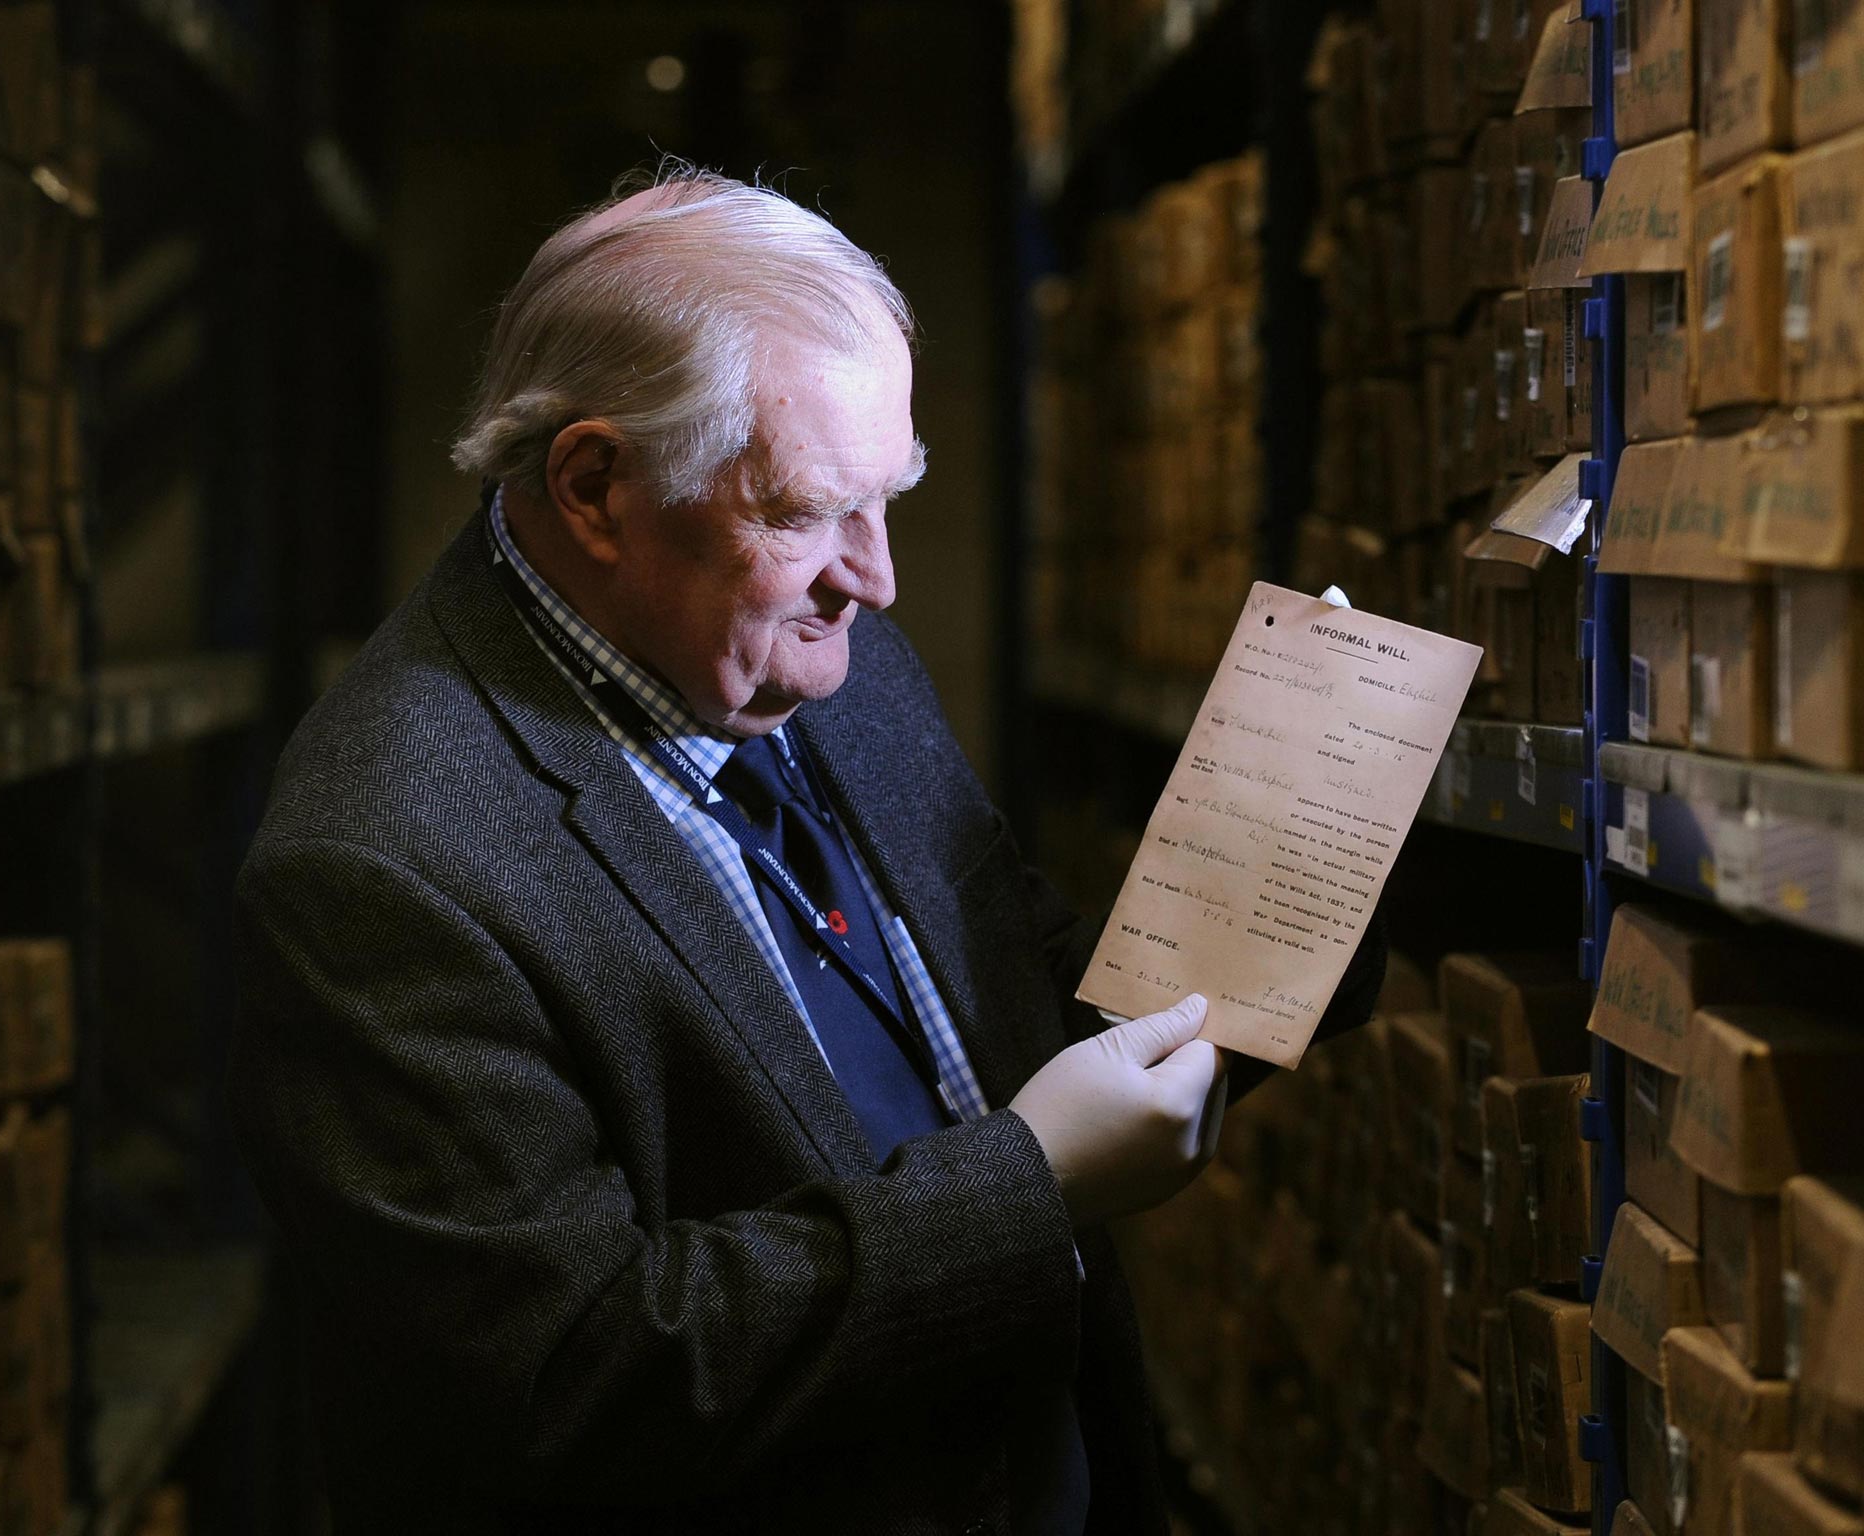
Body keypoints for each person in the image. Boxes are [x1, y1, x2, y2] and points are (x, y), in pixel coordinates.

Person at [229, 165, 1384, 1535]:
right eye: (806, 510)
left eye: (888, 497)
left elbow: (1024, 1027)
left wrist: (1298, 842)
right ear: (594, 486)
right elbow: (567, 1384)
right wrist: (1029, 1188)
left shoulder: (820, 654)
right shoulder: (382, 860)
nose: (876, 576)